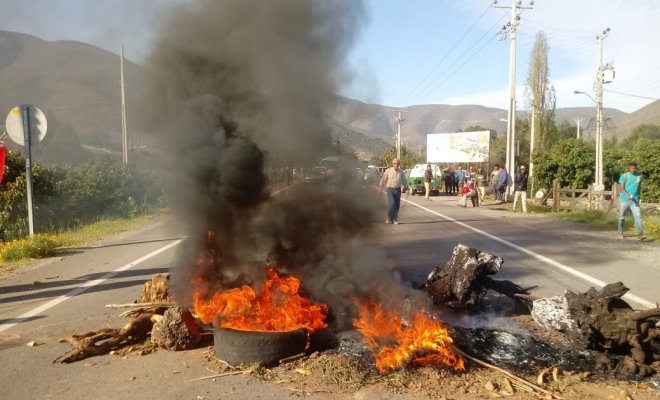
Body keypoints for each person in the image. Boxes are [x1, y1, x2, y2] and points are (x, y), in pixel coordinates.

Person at [617, 162, 646, 240]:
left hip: (635, 200)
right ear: (628, 168)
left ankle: (640, 234)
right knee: (621, 217)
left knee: (638, 216)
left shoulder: (639, 176)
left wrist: (639, 197)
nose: (632, 170)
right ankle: (620, 232)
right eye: (631, 168)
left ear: (636, 168)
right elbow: (621, 188)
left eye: (634, 168)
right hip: (624, 199)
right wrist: (627, 194)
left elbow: (638, 187)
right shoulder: (624, 176)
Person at [378, 158, 409, 225]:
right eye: (395, 163)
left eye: (397, 163)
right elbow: (383, 180)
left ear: (399, 164)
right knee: (392, 203)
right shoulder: (388, 171)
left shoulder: (401, 172)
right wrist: (380, 189)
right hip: (390, 189)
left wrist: (406, 189)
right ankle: (389, 217)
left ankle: (394, 219)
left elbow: (404, 181)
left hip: (397, 190)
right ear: (393, 164)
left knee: (397, 205)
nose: (396, 165)